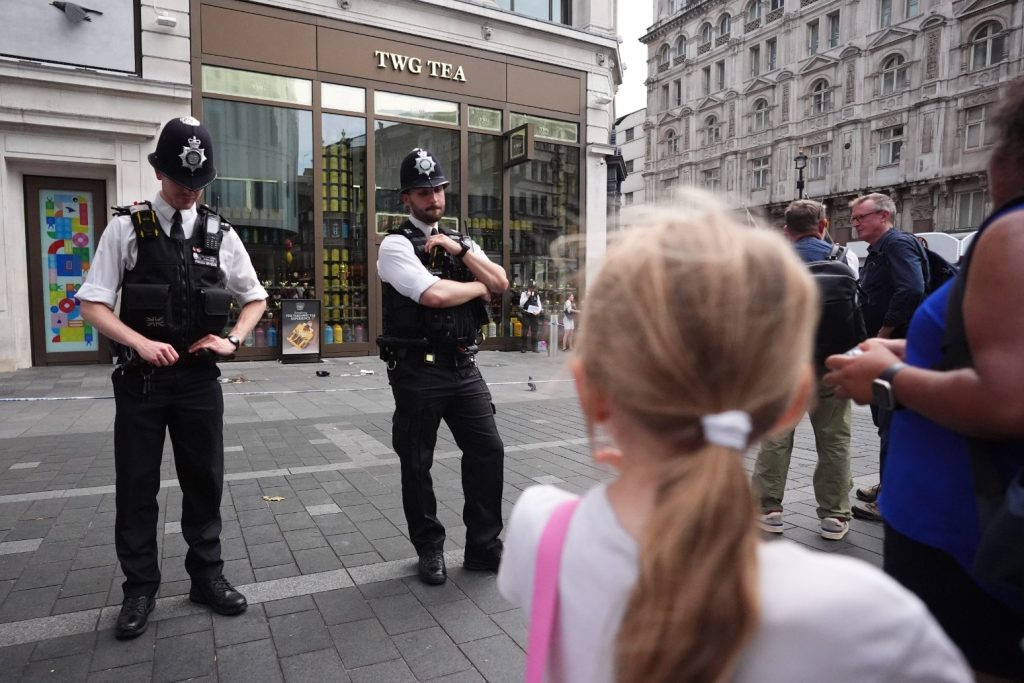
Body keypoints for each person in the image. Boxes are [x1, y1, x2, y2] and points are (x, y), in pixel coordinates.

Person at [496, 195, 970, 683]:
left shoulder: (538, 528)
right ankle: (834, 513)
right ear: (793, 398)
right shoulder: (873, 617)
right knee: (837, 445)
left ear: (590, 393)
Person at [825, 77, 1024, 681]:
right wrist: (907, 347)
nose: (855, 226)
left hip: (963, 531)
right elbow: (988, 344)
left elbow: (1007, 396)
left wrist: (888, 375)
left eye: (861, 217)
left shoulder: (1012, 232)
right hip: (959, 521)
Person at [77, 116, 268, 639]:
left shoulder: (219, 233)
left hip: (199, 383)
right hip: (141, 381)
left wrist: (232, 340)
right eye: (182, 182)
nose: (189, 192)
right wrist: (137, 341)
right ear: (160, 171)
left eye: (198, 184)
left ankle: (207, 578)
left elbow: (255, 297)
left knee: (203, 481)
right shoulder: (125, 227)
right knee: (137, 486)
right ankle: (139, 589)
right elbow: (92, 303)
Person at [376, 147, 509, 586]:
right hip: (418, 370)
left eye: (437, 189)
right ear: (406, 198)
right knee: (417, 462)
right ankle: (429, 548)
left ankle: (484, 548)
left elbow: (503, 284)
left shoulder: (461, 241)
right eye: (422, 191)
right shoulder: (395, 245)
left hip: (463, 366)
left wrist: (460, 249)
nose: (433, 197)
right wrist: (477, 286)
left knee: (488, 450)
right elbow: (431, 295)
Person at [752, 200, 853, 540]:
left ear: (786, 231)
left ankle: (770, 509)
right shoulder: (844, 258)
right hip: (833, 363)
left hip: (787, 364)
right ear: (823, 224)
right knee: (834, 439)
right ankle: (835, 515)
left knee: (777, 436)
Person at [848, 192, 928, 522]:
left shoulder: (896, 244)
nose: (855, 222)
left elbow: (911, 288)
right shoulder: (881, 250)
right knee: (885, 421)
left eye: (861, 216)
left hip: (894, 351)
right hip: (886, 350)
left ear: (883, 216)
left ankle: (890, 500)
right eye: (853, 217)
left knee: (892, 423)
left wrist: (884, 332)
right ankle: (887, 486)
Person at [519, 282, 543, 352]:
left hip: (534, 315)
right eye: (531, 287)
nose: (533, 289)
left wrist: (538, 311)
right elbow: (521, 303)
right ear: (529, 287)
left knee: (534, 331)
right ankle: (524, 347)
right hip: (526, 314)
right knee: (525, 332)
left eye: (534, 288)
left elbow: (539, 304)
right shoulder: (524, 293)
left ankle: (534, 347)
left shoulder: (536, 294)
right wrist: (527, 296)